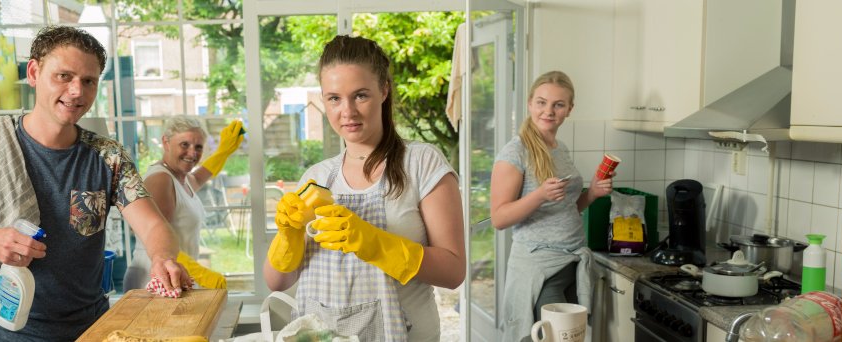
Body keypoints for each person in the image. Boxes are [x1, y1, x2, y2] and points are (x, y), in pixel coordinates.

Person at [0, 26, 192, 341]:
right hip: (0, 335)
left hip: (91, 332)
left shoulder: (109, 157)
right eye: (64, 76)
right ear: (34, 72)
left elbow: (155, 227)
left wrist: (162, 257)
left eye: (88, 81)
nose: (77, 91)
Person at [262, 35, 466, 341]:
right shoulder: (317, 176)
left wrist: (372, 243)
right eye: (334, 98)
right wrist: (288, 235)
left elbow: (453, 272)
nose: (347, 111)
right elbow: (277, 281)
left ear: (384, 90)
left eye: (360, 95)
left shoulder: (421, 163)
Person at [488, 70, 614, 341]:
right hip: (540, 268)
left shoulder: (560, 148)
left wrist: (591, 194)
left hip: (572, 263)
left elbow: (567, 208)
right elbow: (499, 218)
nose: (549, 111)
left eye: (558, 104)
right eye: (542, 102)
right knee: (548, 337)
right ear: (530, 103)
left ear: (570, 109)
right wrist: (539, 195)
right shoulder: (515, 152)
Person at [123, 116, 243, 291]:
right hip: (153, 280)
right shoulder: (160, 179)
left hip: (173, 277)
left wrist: (223, 151)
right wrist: (201, 273)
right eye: (184, 144)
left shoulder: (183, 179)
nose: (193, 153)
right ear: (166, 142)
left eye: (198, 147)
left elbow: (202, 175)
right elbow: (154, 236)